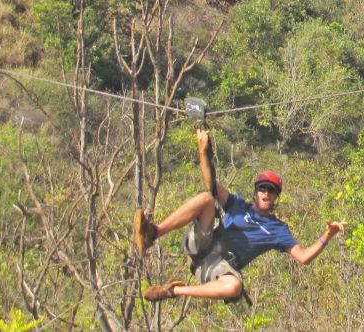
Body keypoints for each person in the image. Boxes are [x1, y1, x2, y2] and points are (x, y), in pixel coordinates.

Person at [133, 129, 347, 302]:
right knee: (208, 197)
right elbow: (211, 183)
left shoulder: (278, 229)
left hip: (218, 267)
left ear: (276, 197)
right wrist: (202, 151)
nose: (266, 193)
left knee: (235, 286)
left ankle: (173, 291)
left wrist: (328, 234)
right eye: (262, 188)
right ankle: (154, 232)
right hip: (204, 245)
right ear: (255, 192)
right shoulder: (238, 205)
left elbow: (304, 257)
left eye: (271, 190)